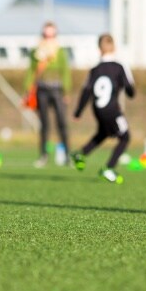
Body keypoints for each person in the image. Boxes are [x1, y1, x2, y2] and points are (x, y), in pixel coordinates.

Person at [70, 33, 135, 184]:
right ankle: (109, 168)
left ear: (99, 49)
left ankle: (81, 154)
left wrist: (78, 112)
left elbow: (86, 91)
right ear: (114, 47)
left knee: (104, 133)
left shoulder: (95, 69)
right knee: (125, 137)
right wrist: (130, 91)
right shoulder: (119, 66)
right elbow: (130, 88)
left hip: (97, 108)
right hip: (112, 109)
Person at [24, 22, 71, 168]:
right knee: (44, 125)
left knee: (62, 123)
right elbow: (31, 71)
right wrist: (27, 89)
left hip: (57, 90)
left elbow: (65, 72)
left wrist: (67, 91)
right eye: (46, 35)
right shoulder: (36, 51)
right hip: (42, 90)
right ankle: (43, 155)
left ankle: (67, 155)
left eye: (52, 35)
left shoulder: (60, 52)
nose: (48, 38)